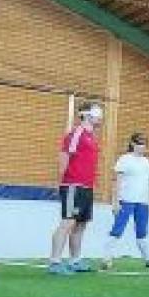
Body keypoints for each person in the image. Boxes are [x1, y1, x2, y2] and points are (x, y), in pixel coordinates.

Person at [48, 102, 102, 275]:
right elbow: (64, 156)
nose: (100, 116)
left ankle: (75, 260)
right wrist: (60, 182)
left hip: (86, 187)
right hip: (73, 185)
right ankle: (55, 262)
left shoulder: (91, 137)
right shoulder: (76, 133)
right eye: (97, 112)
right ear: (86, 115)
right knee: (68, 222)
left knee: (81, 224)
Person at [103, 132, 149, 270]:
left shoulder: (146, 162)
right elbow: (117, 181)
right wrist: (115, 202)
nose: (142, 146)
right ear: (132, 144)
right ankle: (106, 258)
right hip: (126, 200)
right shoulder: (124, 159)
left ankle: (148, 259)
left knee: (142, 231)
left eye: (144, 143)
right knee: (118, 229)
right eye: (139, 143)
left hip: (143, 202)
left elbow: (148, 184)